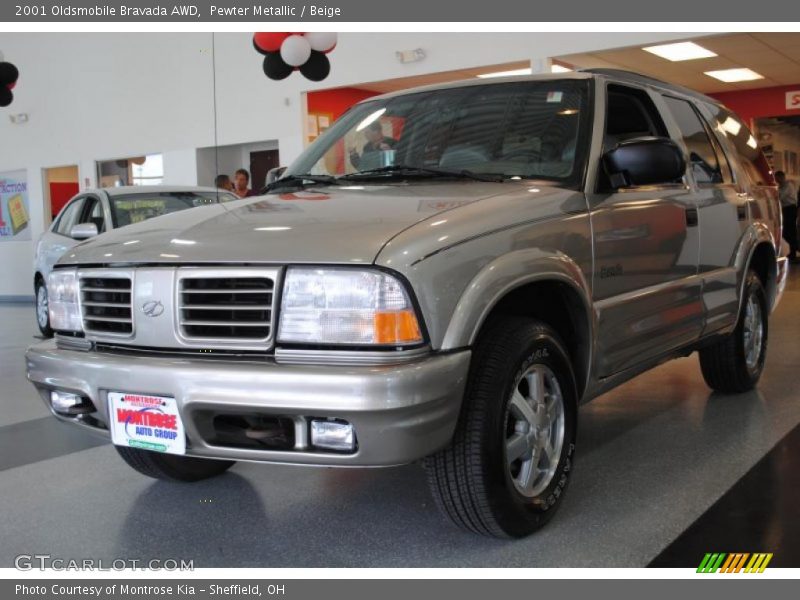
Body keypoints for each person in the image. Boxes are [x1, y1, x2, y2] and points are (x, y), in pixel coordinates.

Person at [775, 170, 798, 263]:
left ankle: (793, 252)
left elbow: (781, 197)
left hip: (790, 209)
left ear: (781, 177)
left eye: (777, 178)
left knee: (790, 231)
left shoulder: (788, 186)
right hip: (785, 210)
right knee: (786, 231)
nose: (776, 180)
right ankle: (792, 251)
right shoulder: (781, 187)